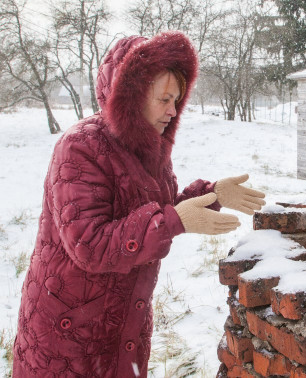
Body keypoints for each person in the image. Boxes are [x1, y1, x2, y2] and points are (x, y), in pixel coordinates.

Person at [12, 31, 265, 377]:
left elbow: (160, 211)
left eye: (177, 100)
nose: (172, 111)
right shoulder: (79, 148)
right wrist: (175, 220)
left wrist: (213, 193)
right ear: (131, 96)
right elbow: (90, 243)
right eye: (164, 99)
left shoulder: (151, 150)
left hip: (121, 325)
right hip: (68, 335)